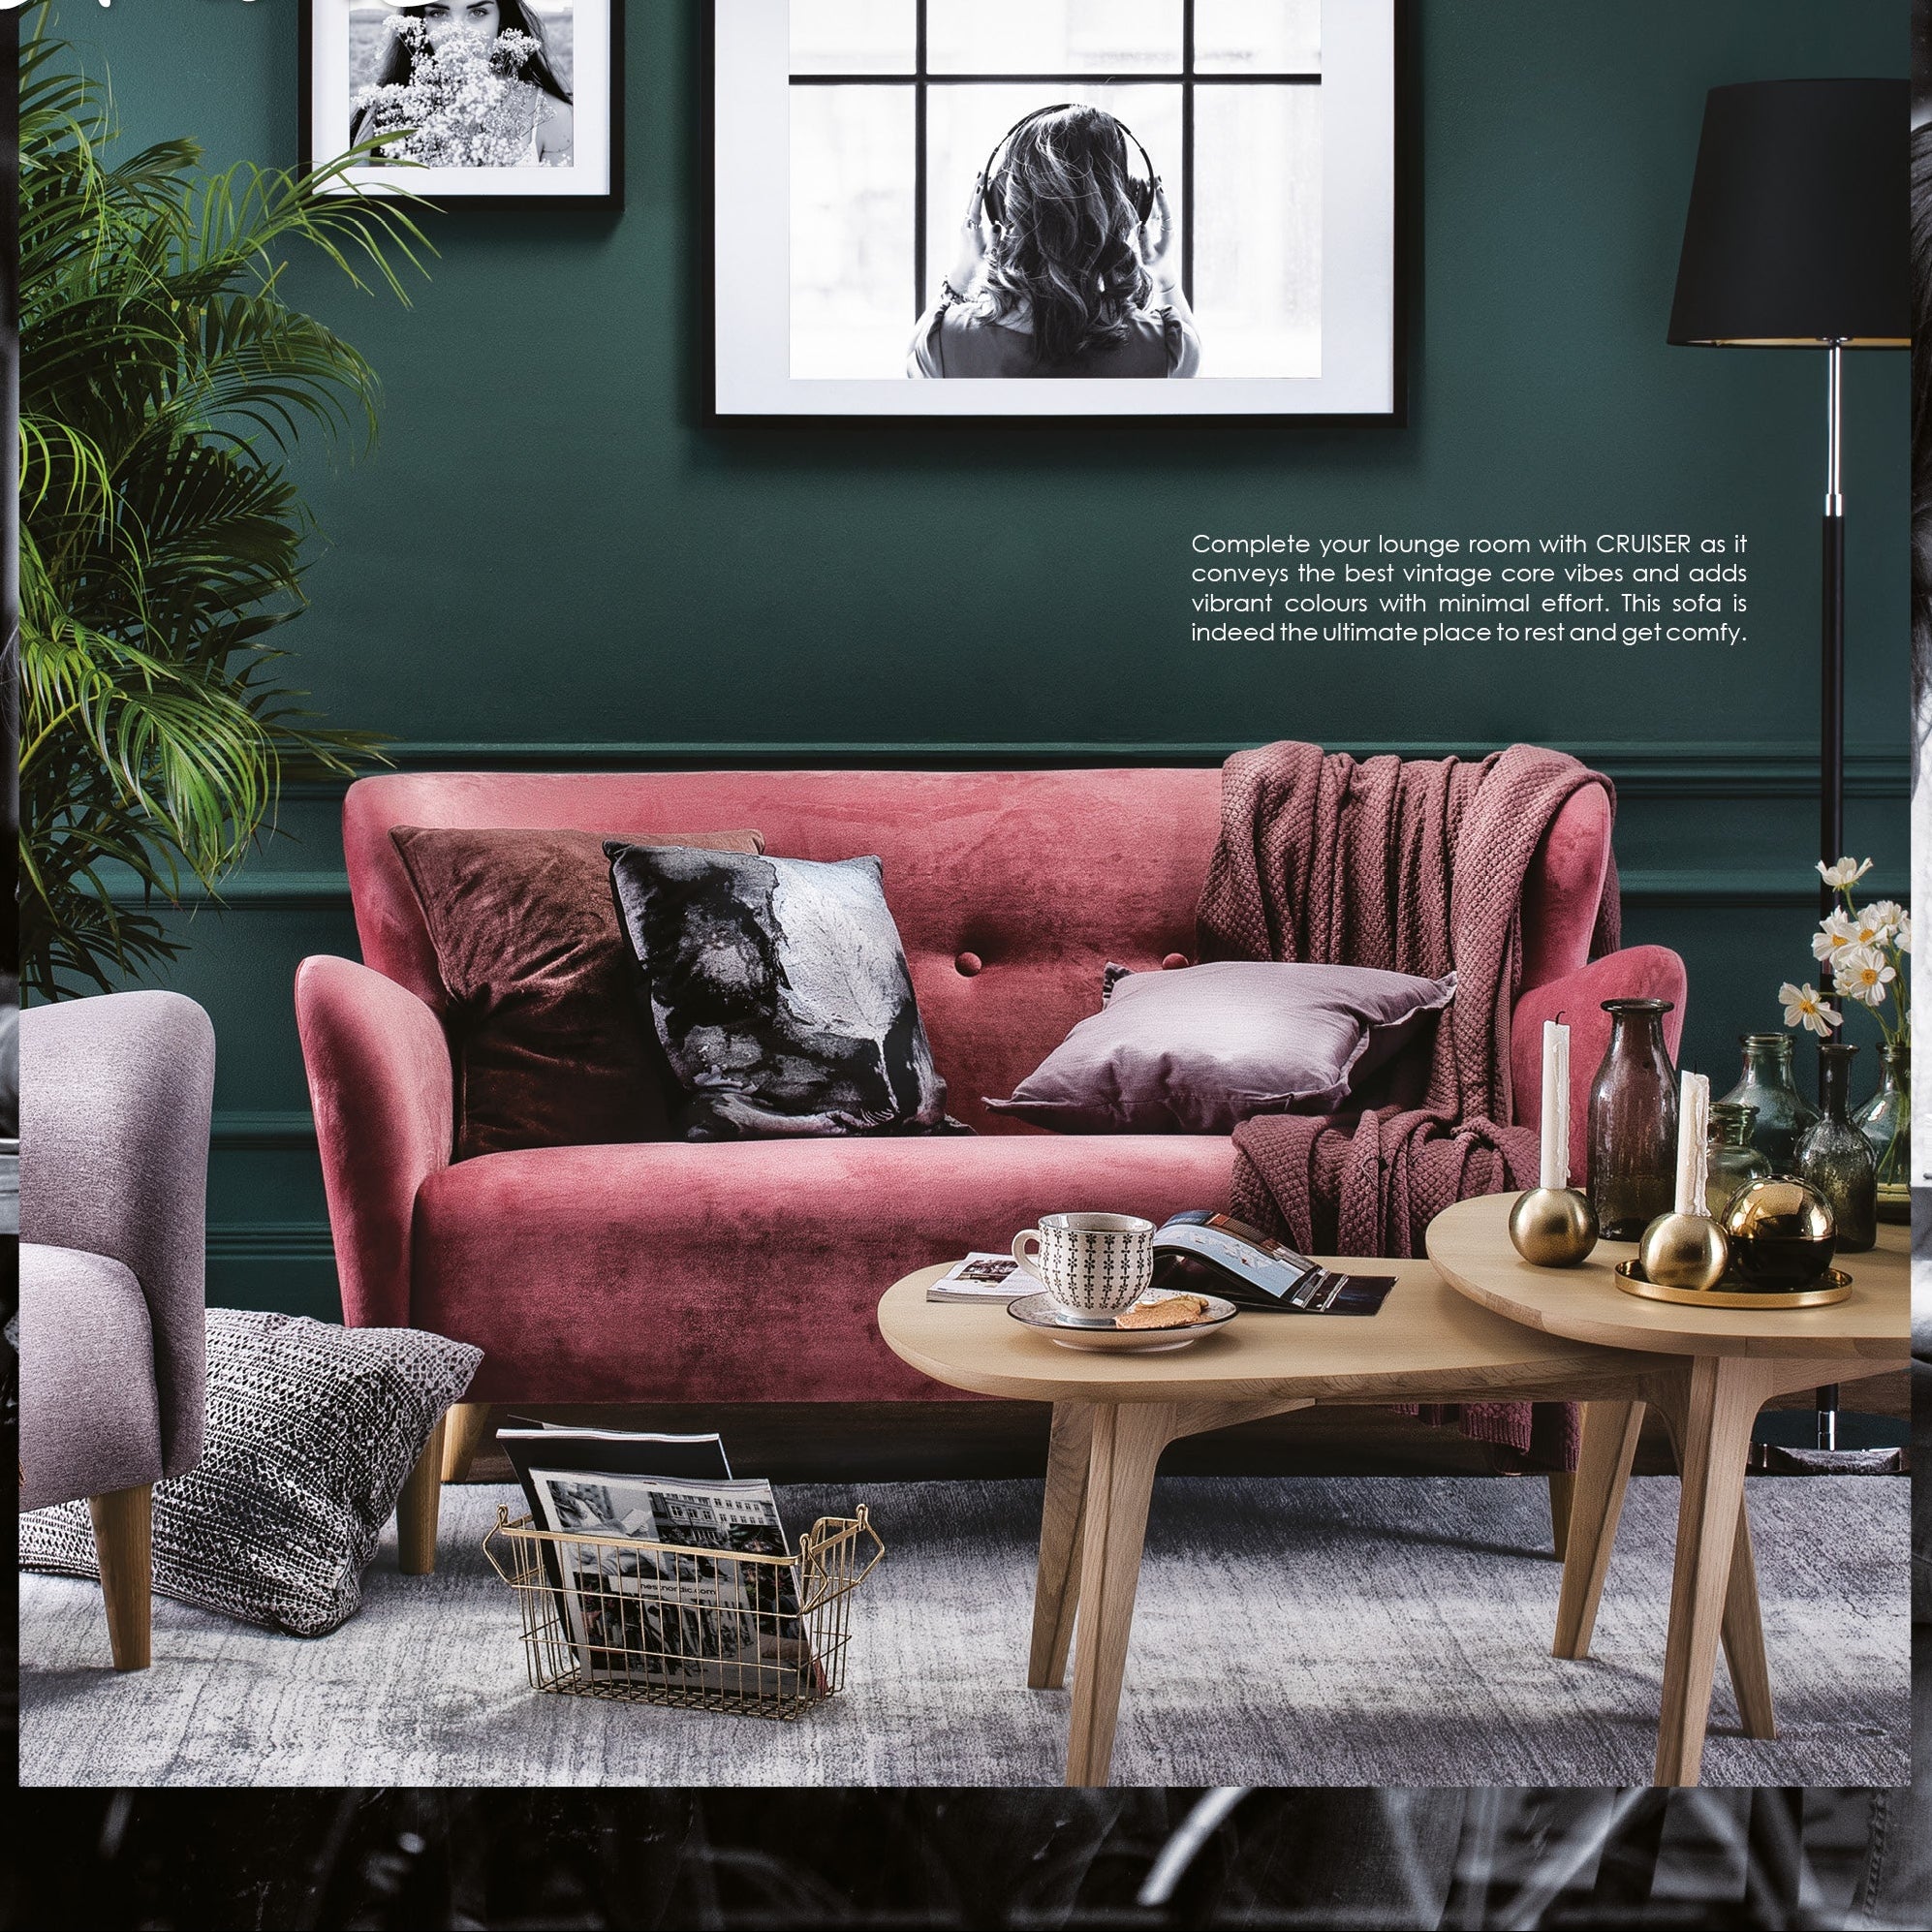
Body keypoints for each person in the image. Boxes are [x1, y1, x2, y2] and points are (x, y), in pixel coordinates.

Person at [908, 105, 1202, 380]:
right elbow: (1191, 370)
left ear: (1001, 207)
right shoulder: (1167, 346)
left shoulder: (944, 342)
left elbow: (913, 370)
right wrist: (1164, 274)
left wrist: (964, 270)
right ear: (1130, 205)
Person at [352, 1, 574, 168]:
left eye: (477, 12)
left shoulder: (551, 116)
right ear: (419, 23)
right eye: (439, 13)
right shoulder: (383, 111)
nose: (457, 32)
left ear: (502, 19)